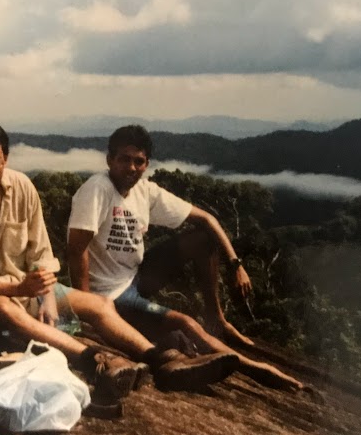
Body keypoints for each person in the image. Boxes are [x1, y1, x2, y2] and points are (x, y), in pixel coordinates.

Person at [0, 118, 239, 401]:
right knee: (0, 305)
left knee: (99, 304)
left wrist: (46, 293)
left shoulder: (21, 187)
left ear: (5, 159)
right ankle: (95, 362)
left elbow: (41, 255)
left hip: (28, 290)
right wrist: (17, 289)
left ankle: (162, 360)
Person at [66, 124, 303, 391]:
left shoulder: (145, 191)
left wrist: (236, 265)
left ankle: (217, 321)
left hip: (136, 276)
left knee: (203, 239)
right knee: (183, 323)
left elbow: (207, 219)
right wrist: (87, 309)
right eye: (123, 159)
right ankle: (254, 368)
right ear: (110, 160)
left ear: (146, 164)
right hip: (110, 294)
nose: (131, 168)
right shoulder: (97, 189)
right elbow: (77, 249)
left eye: (138, 161)